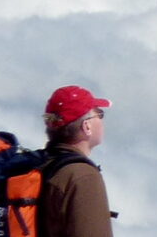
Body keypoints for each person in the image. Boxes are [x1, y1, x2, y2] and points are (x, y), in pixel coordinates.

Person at [38, 85, 114, 237]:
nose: (101, 119)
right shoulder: (83, 176)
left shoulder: (37, 165)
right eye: (99, 114)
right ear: (87, 126)